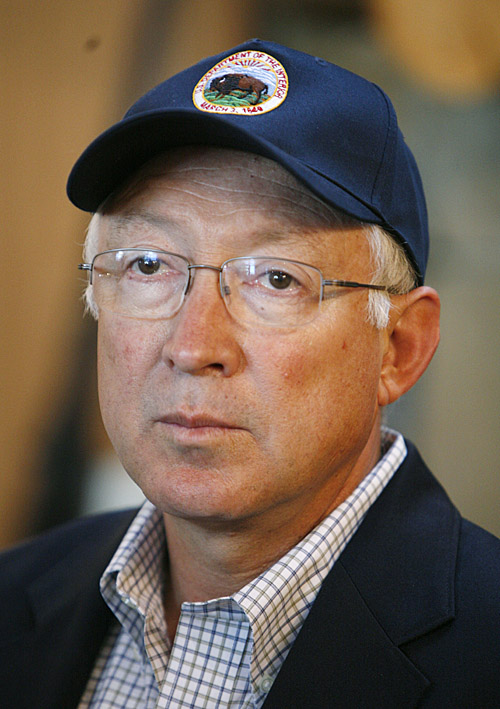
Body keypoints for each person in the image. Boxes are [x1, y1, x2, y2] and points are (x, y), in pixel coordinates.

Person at [1, 39, 499, 709]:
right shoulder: (14, 596)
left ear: (399, 349)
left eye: (275, 279)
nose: (193, 344)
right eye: (147, 265)